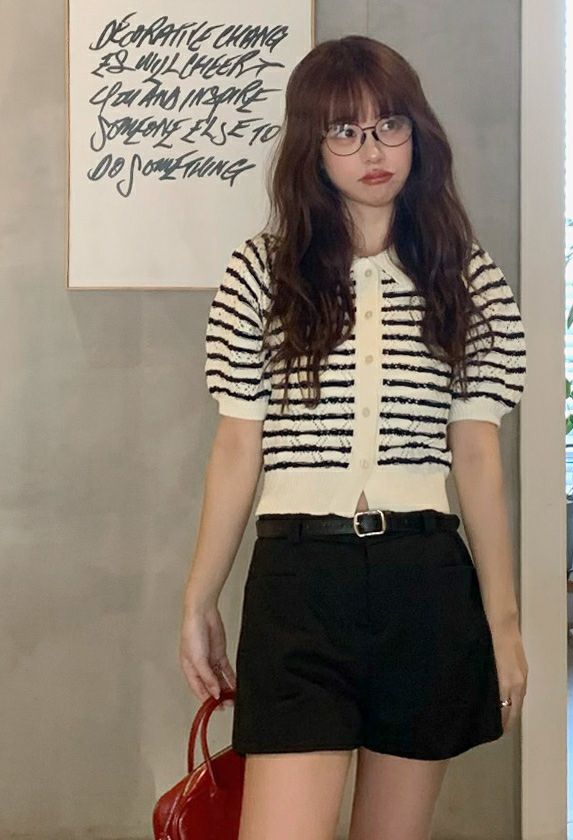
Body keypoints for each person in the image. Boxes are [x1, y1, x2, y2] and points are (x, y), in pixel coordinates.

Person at [180, 34, 528, 840]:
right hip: (299, 583)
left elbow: (478, 456)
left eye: (389, 125)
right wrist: (200, 597)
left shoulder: (466, 276)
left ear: (418, 133)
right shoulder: (261, 273)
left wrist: (505, 623)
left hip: (424, 580)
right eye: (345, 130)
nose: (372, 151)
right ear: (312, 144)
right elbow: (237, 448)